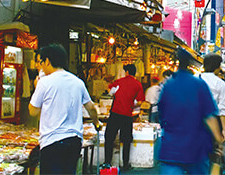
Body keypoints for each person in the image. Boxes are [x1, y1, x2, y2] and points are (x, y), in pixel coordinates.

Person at [29, 44, 100, 175]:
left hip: (52, 141)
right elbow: (91, 108)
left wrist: (36, 86)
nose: (41, 66)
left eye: (41, 62)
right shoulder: (78, 82)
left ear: (48, 61)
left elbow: (32, 111)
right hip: (74, 141)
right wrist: (96, 123)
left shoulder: (44, 83)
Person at [158, 48, 224, 174]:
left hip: (171, 148)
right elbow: (209, 117)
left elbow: (161, 113)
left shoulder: (168, 85)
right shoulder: (198, 84)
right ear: (190, 64)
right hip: (195, 147)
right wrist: (218, 141)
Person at [104, 63, 145, 171]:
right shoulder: (138, 85)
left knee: (109, 138)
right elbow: (140, 102)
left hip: (115, 114)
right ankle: (125, 164)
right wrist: (132, 102)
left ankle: (107, 162)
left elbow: (110, 92)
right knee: (126, 140)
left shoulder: (119, 82)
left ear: (126, 72)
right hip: (127, 115)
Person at [199, 54, 225, 140]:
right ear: (217, 66)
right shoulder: (220, 83)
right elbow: (222, 108)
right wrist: (224, 128)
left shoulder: (195, 78)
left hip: (194, 119)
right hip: (213, 120)